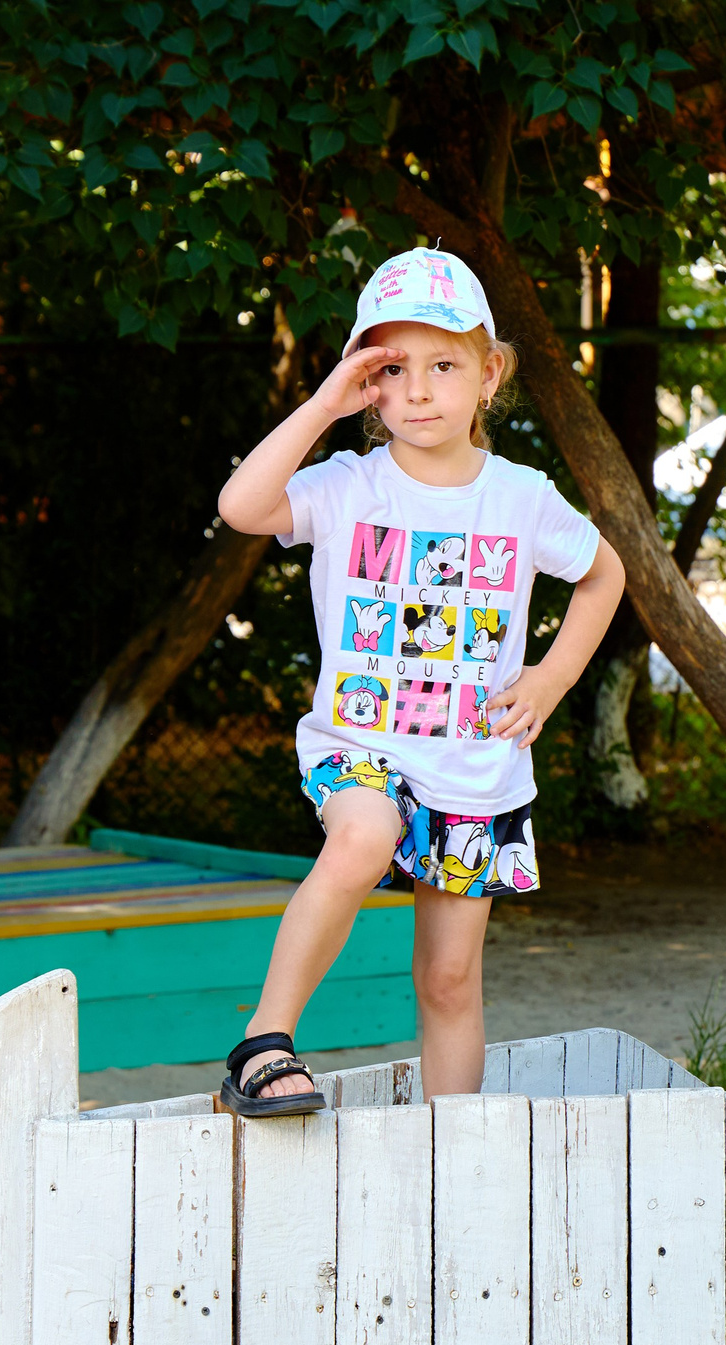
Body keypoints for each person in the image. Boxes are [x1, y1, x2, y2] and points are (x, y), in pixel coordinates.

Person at [210, 248, 626, 1116]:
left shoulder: (519, 496)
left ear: (489, 373)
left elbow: (605, 575)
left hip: (476, 772)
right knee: (364, 834)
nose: (423, 390)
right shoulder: (347, 486)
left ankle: (455, 1151)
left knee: (448, 978)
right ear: (369, 381)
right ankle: (262, 1041)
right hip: (361, 746)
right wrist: (324, 403)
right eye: (394, 369)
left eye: (445, 365)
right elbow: (243, 507)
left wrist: (551, 677)